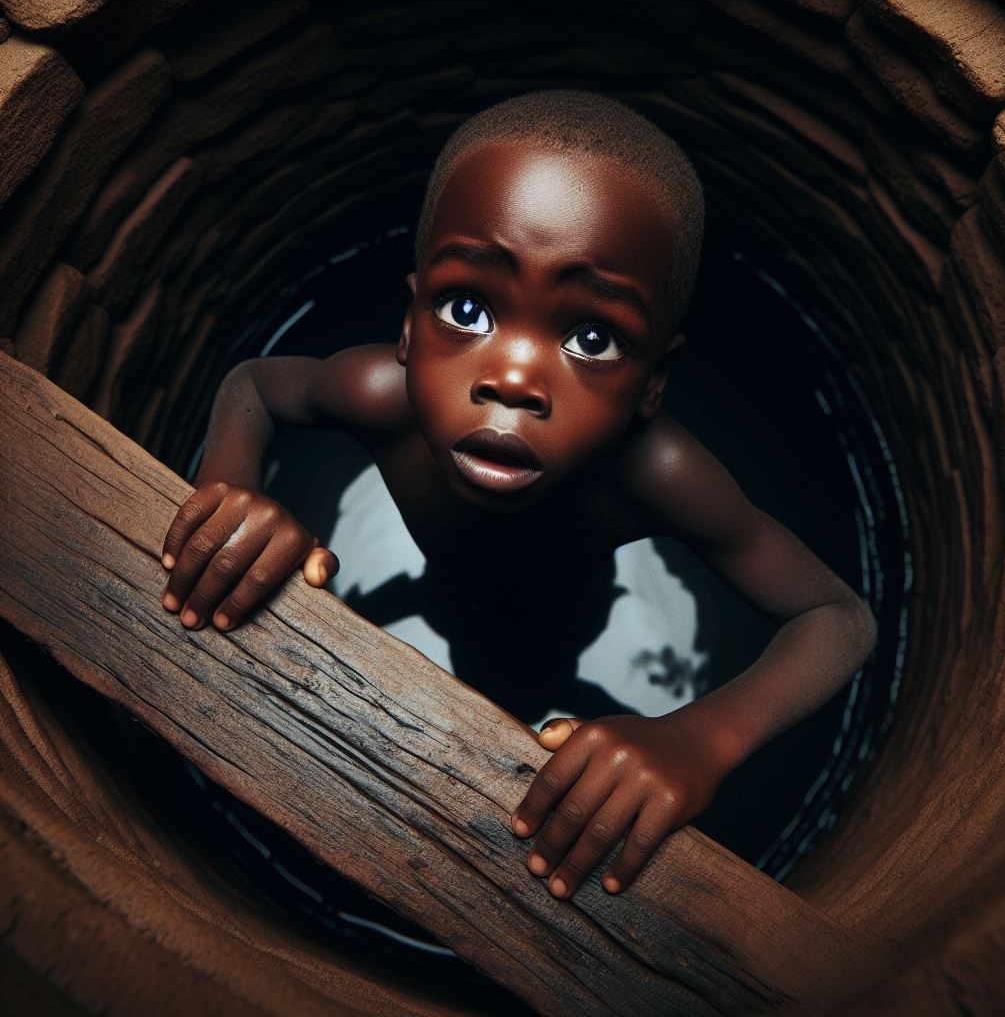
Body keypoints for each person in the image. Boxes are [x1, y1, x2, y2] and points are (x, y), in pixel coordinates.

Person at [160, 89, 877, 901]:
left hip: (567, 621)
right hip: (435, 593)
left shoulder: (656, 477)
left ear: (653, 383)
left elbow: (839, 619)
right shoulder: (375, 394)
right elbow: (250, 388)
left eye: (592, 338)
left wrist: (700, 738)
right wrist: (230, 492)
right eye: (466, 309)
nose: (513, 379)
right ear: (408, 323)